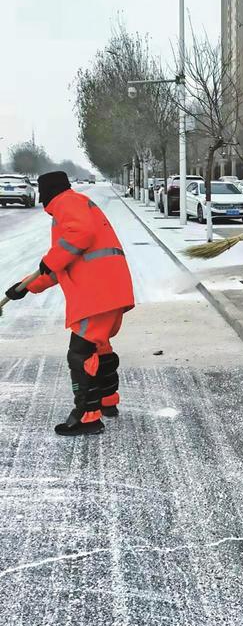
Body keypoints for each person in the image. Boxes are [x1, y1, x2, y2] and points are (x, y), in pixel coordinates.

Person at [4, 171, 135, 436]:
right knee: (99, 347)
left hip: (96, 292)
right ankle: (108, 402)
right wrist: (26, 288)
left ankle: (87, 417)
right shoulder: (75, 204)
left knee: (81, 353)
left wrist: (52, 260)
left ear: (45, 193)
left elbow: (78, 237)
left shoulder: (66, 202)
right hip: (109, 289)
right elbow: (61, 264)